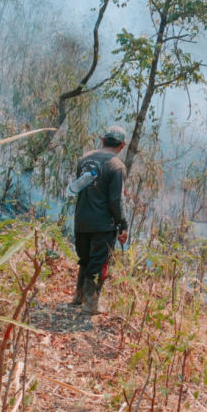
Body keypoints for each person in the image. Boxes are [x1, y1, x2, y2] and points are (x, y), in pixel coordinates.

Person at [71, 126, 129, 315]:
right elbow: (116, 199)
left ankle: (79, 297)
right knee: (98, 261)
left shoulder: (85, 158)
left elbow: (80, 187)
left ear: (102, 140)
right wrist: (123, 225)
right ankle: (91, 304)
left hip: (81, 219)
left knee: (85, 258)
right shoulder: (116, 166)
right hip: (103, 224)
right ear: (122, 145)